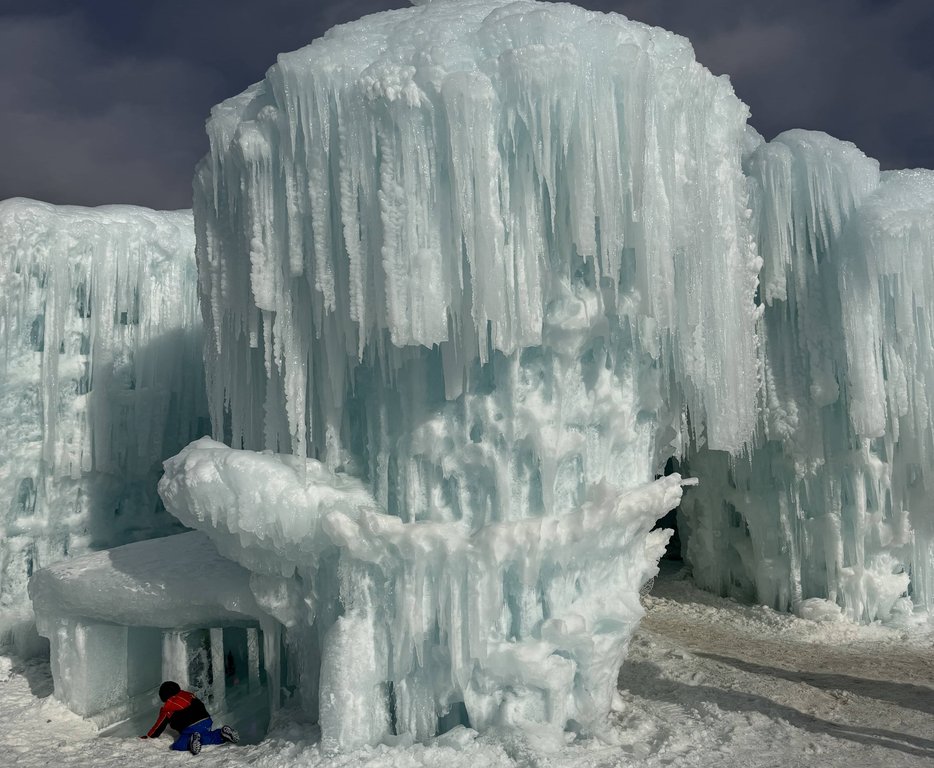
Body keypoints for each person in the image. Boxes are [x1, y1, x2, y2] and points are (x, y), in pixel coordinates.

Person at [140, 680, 240, 755]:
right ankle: (222, 734)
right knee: (207, 735)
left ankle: (191, 738)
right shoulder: (188, 695)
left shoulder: (167, 707)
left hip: (190, 727)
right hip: (206, 721)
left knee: (178, 745)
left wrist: (149, 736)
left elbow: (159, 727)